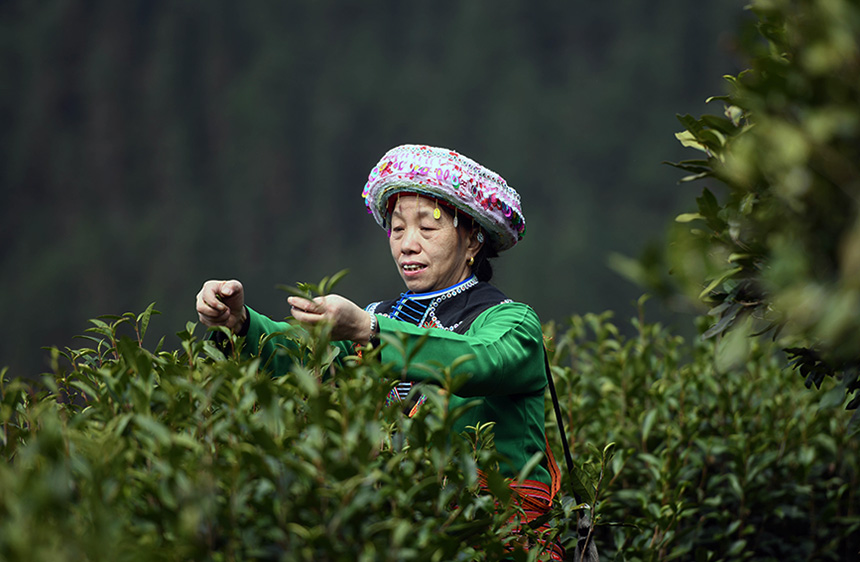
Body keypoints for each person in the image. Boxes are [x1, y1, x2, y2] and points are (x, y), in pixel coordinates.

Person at [195, 144, 564, 559]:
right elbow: (305, 358)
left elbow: (481, 360)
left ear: (473, 239)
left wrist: (370, 332)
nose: (407, 244)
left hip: (501, 545)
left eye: (427, 228)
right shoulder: (376, 318)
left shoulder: (512, 322)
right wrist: (240, 323)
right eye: (397, 228)